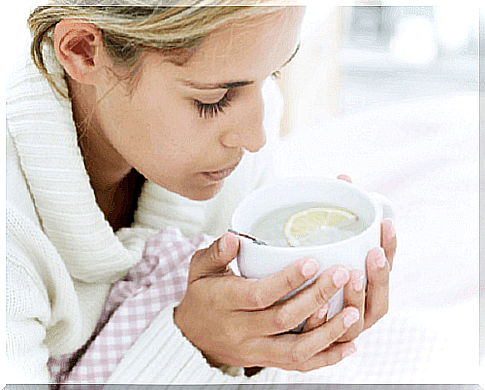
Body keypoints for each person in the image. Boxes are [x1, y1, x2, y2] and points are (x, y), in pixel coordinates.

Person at [6, 0, 397, 384]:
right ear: (83, 51)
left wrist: (274, 341)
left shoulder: (246, 124)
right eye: (215, 100)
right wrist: (195, 348)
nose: (256, 137)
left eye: (273, 74)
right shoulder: (11, 237)